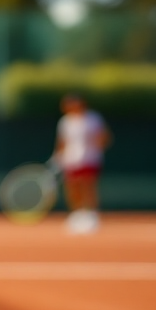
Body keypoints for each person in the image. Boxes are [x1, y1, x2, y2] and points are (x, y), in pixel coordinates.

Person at [53, 94, 111, 234]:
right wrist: (58, 157)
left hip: (90, 159)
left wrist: (96, 147)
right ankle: (77, 215)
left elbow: (104, 137)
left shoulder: (93, 118)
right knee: (73, 188)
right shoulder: (65, 122)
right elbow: (62, 142)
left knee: (88, 186)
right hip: (71, 161)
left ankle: (91, 215)